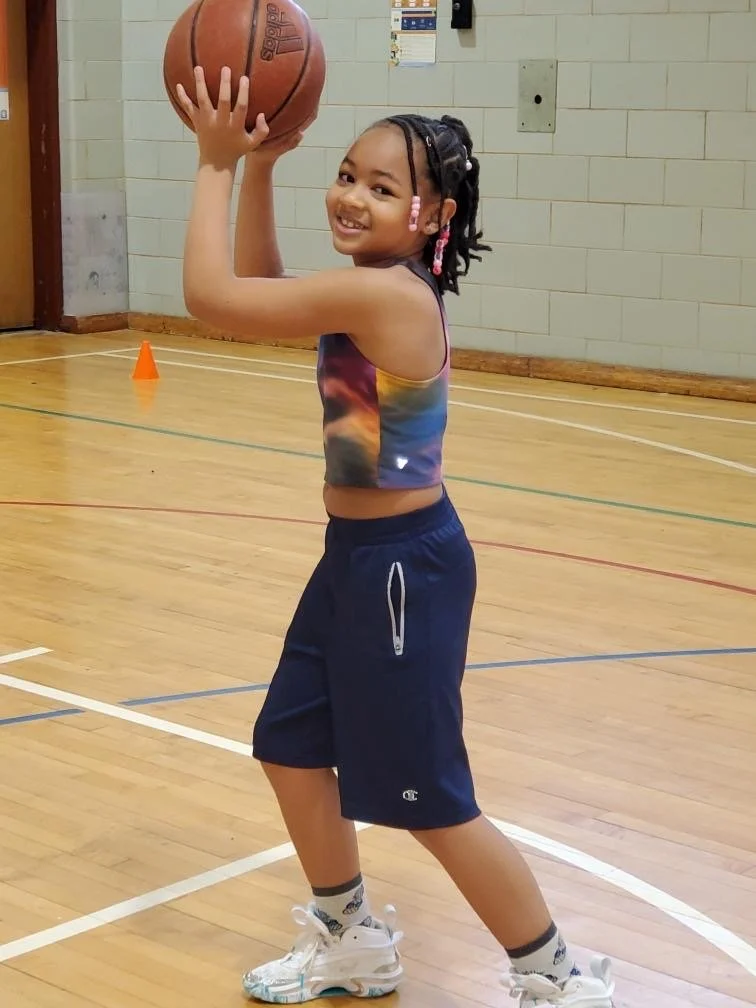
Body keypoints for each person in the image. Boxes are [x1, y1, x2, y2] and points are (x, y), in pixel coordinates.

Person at [176, 66, 616, 1008]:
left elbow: (215, 298)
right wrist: (261, 170)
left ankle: (556, 977)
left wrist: (213, 164)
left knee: (427, 796)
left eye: (383, 187)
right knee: (291, 745)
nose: (350, 195)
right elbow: (260, 284)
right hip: (354, 563)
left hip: (403, 574)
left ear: (434, 215)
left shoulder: (392, 300)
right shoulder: (367, 284)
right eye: (343, 174)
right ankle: (349, 941)